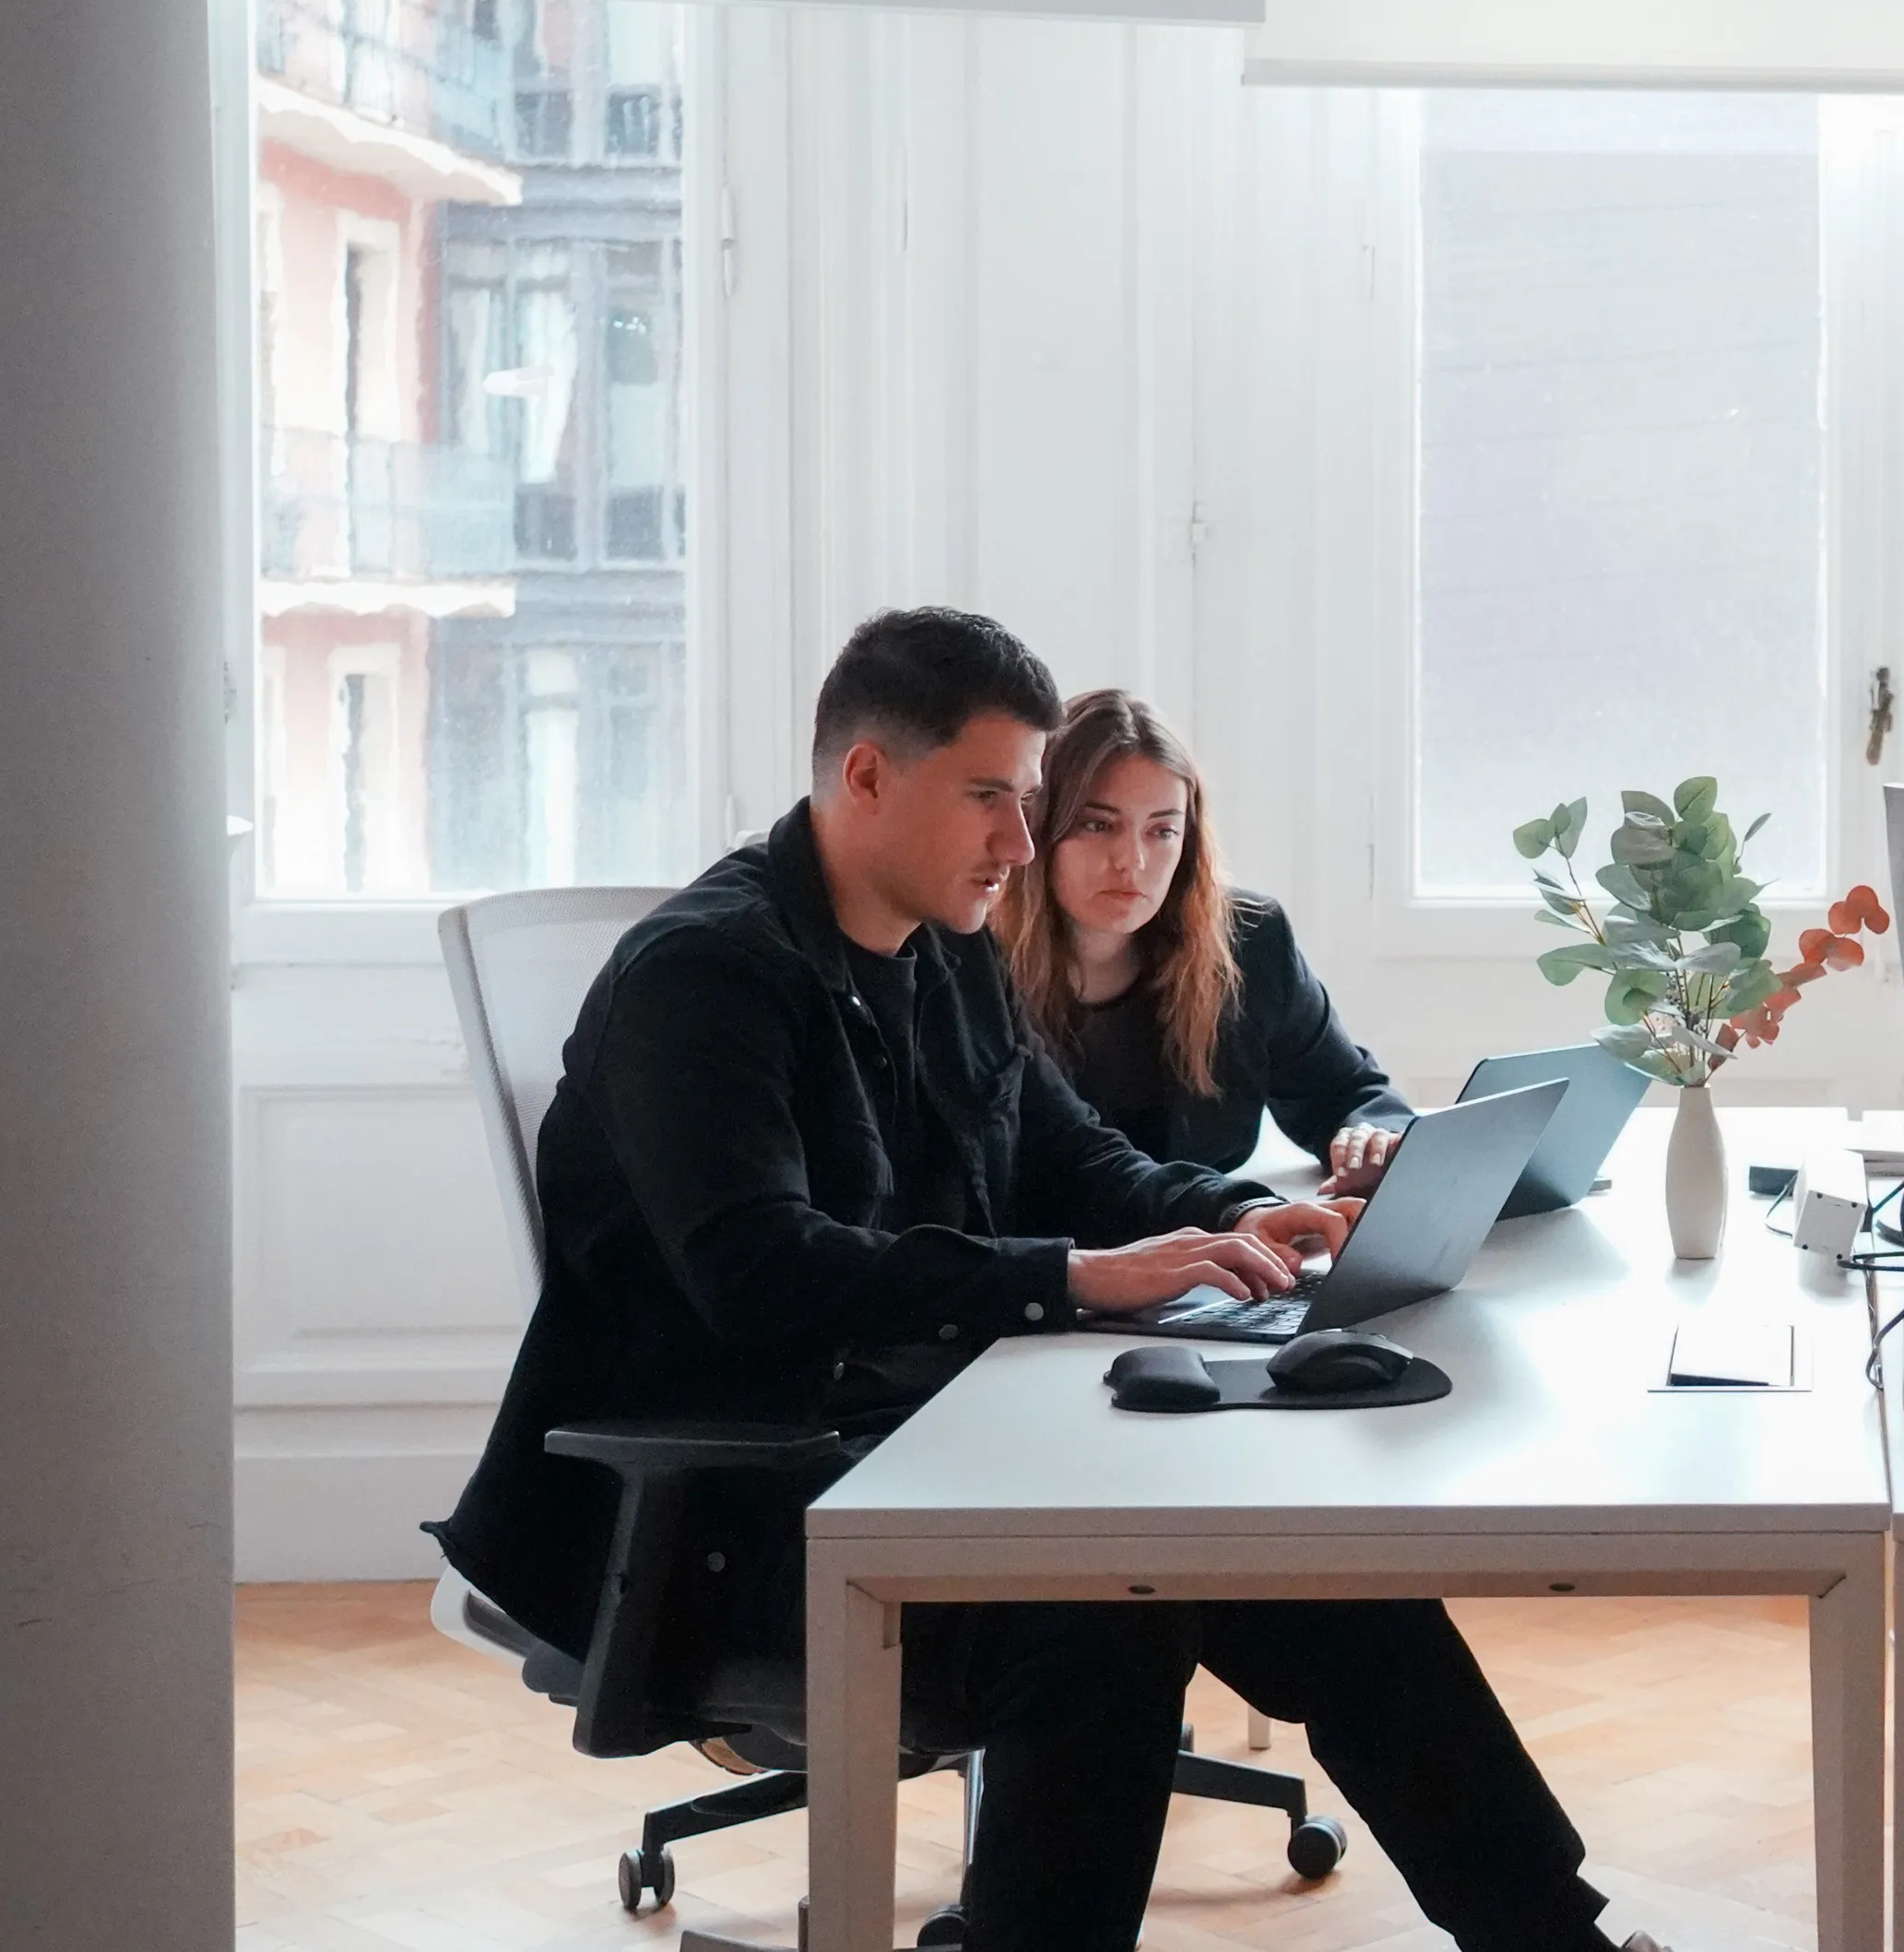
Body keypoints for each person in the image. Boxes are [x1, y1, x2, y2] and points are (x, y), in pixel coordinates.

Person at [432, 608, 1655, 1952]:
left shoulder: (945, 950)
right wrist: (1073, 1277)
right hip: (743, 1501)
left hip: (925, 1440)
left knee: (1306, 1551)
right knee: (1107, 1606)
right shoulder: (707, 977)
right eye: (989, 798)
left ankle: (1549, 1933)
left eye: (1027, 801)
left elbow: (1075, 1158)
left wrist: (1253, 1218)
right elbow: (759, 1273)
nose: (1021, 843)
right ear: (864, 777)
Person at [998, 686, 1413, 1199]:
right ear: (1038, 826)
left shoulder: (1248, 940)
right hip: (1063, 1263)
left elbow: (1347, 1091)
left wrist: (1372, 1140)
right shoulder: (967, 962)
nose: (1132, 861)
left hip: (1213, 1248)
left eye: (1162, 831)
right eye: (1098, 825)